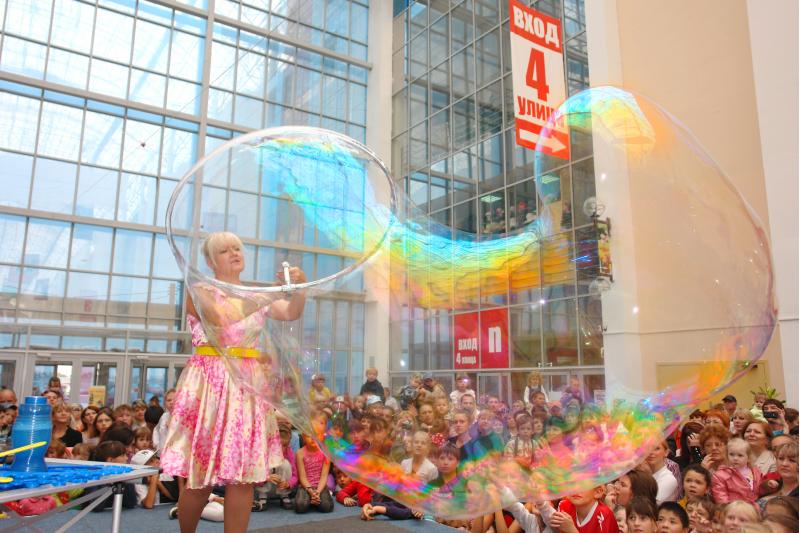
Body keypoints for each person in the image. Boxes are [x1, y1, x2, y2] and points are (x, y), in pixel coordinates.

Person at [160, 231, 305, 533]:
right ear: (211, 261)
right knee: (200, 476)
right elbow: (222, 317)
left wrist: (299, 288)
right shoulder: (199, 289)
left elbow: (291, 312)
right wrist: (274, 291)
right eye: (225, 250)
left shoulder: (254, 294)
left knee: (243, 477)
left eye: (237, 248)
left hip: (246, 387)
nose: (234, 253)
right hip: (210, 384)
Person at [537, 485, 620, 533]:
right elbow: (557, 530)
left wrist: (571, 530)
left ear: (598, 492)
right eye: (572, 483)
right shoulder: (564, 505)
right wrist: (542, 505)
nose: (576, 489)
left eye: (583, 485)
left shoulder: (604, 515)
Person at [712, 437, 763, 504]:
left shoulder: (756, 471)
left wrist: (768, 484)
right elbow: (721, 497)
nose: (735, 458)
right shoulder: (720, 475)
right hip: (733, 508)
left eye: (740, 455)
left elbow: (761, 490)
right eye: (731, 454)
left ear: (748, 457)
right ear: (727, 455)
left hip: (754, 507)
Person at [295, 434, 333, 513]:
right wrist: (311, 492)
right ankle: (313, 500)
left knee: (326, 507)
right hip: (305, 487)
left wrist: (318, 492)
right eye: (309, 436)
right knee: (300, 507)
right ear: (304, 437)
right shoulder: (300, 453)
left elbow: (324, 476)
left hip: (320, 486)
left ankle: (314, 500)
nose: (313, 438)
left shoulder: (326, 452)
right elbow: (302, 477)